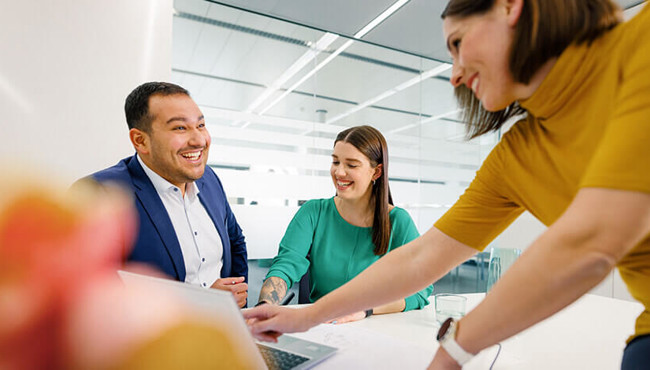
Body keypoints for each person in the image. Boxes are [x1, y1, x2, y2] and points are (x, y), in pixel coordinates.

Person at [244, 0, 650, 368]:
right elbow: (423, 258)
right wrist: (307, 316)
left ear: (511, 7)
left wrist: (454, 350)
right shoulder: (519, 154)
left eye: (457, 44)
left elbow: (592, 240)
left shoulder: (641, 43)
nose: (454, 76)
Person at [79, 82, 248, 307]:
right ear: (141, 140)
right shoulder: (99, 194)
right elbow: (90, 296)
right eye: (180, 128)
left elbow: (235, 241)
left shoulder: (209, 179)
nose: (199, 140)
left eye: (201, 125)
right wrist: (203, 305)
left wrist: (237, 311)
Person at [256, 125, 433, 322]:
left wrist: (366, 309)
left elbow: (421, 290)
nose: (339, 172)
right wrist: (265, 306)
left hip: (375, 329)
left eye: (351, 165)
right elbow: (285, 266)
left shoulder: (398, 222)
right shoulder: (313, 212)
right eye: (335, 161)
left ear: (376, 172)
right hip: (321, 326)